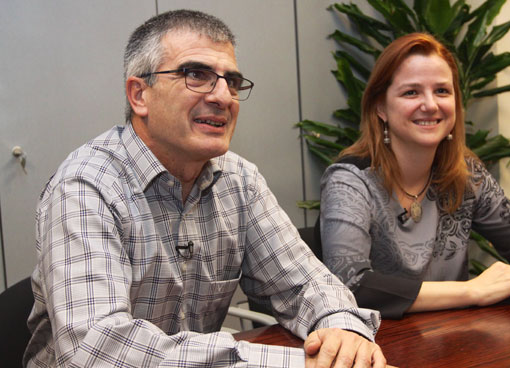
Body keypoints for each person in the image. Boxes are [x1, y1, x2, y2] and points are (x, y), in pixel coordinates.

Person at [24, 9, 389, 367]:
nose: (223, 97)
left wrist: (343, 333)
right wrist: (293, 363)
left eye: (231, 81)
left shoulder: (238, 179)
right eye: (196, 74)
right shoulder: (86, 186)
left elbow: (305, 285)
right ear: (139, 95)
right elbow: (98, 350)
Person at [319, 32, 510, 319]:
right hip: (376, 345)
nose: (431, 105)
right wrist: (473, 291)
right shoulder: (349, 181)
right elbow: (350, 284)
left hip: (454, 339)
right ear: (380, 107)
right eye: (411, 92)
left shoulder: (466, 174)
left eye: (442, 91)